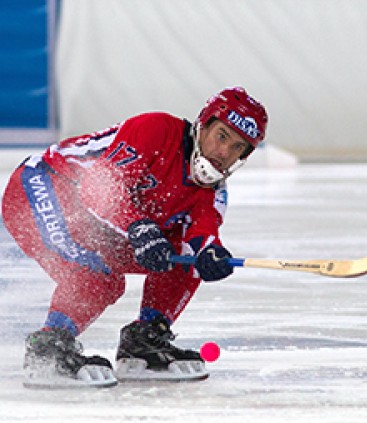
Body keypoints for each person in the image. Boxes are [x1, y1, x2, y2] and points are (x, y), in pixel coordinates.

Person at [1, 87, 268, 388]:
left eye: (237, 148)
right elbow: (97, 187)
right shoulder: (157, 129)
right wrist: (140, 228)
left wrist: (212, 256)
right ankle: (48, 349)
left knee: (190, 258)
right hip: (40, 187)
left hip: (97, 221)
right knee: (99, 278)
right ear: (203, 125)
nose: (224, 153)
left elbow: (202, 237)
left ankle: (145, 340)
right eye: (221, 136)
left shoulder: (212, 192)